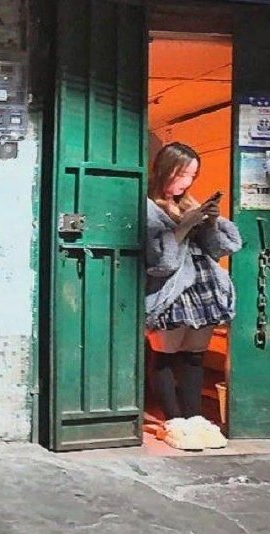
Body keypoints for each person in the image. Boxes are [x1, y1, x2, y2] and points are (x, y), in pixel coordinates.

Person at [145, 142, 241, 450]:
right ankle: (173, 420)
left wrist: (210, 221)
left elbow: (218, 248)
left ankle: (194, 417)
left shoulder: (188, 202)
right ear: (165, 170)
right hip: (170, 287)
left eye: (192, 175)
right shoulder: (148, 205)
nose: (186, 182)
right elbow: (159, 261)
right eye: (182, 174)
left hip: (203, 286)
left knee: (195, 355)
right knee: (165, 352)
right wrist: (183, 227)